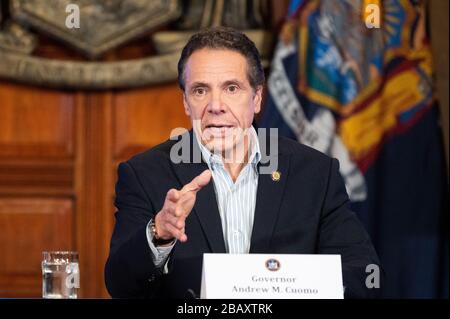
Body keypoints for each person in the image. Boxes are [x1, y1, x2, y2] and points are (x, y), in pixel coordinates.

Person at [105, 27, 381, 298]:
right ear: (186, 102)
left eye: (232, 88)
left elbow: (363, 276)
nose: (216, 105)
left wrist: (302, 286)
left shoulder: (315, 174)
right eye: (200, 90)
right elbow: (120, 286)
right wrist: (159, 234)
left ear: (257, 98)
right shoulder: (144, 174)